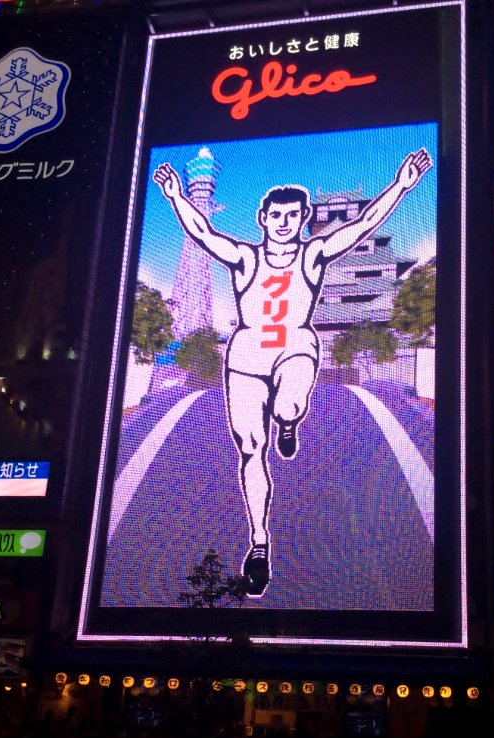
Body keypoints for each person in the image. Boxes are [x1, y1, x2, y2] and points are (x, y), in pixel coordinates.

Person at [153, 147, 432, 596]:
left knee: (290, 400)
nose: (284, 222)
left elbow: (362, 225)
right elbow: (203, 233)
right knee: (249, 447)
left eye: (292, 215)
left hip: (295, 345)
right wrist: (174, 196)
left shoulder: (313, 254)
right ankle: (259, 542)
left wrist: (401, 183)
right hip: (245, 354)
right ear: (263, 218)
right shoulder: (245, 258)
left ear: (302, 220)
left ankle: (288, 419)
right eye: (275, 214)